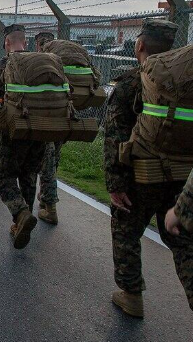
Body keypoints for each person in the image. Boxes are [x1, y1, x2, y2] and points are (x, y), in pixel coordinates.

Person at [104, 19, 193, 317]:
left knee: (126, 229)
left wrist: (115, 184)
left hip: (143, 175)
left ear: (140, 45)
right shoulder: (185, 83)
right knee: (181, 237)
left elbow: (115, 136)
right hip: (184, 177)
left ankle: (131, 296)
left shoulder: (131, 82)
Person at [0, 24, 44, 249]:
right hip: (40, 131)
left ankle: (20, 212)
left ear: (6, 43)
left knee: (1, 174)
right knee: (29, 174)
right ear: (25, 43)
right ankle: (20, 221)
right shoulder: (43, 63)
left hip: (12, 131)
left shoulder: (2, 65)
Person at [34, 31, 61, 224]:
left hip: (45, 119)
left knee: (47, 163)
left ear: (38, 45)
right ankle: (44, 200)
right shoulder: (63, 60)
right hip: (65, 117)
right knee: (52, 160)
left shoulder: (40, 62)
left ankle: (50, 207)